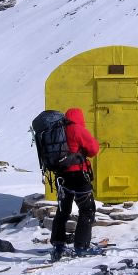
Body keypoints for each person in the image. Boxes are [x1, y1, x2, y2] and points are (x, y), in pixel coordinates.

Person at [50, 108, 100, 262]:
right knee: (87, 210)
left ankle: (58, 245)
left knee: (63, 210)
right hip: (78, 175)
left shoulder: (59, 130)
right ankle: (82, 246)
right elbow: (93, 149)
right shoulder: (77, 129)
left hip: (62, 176)